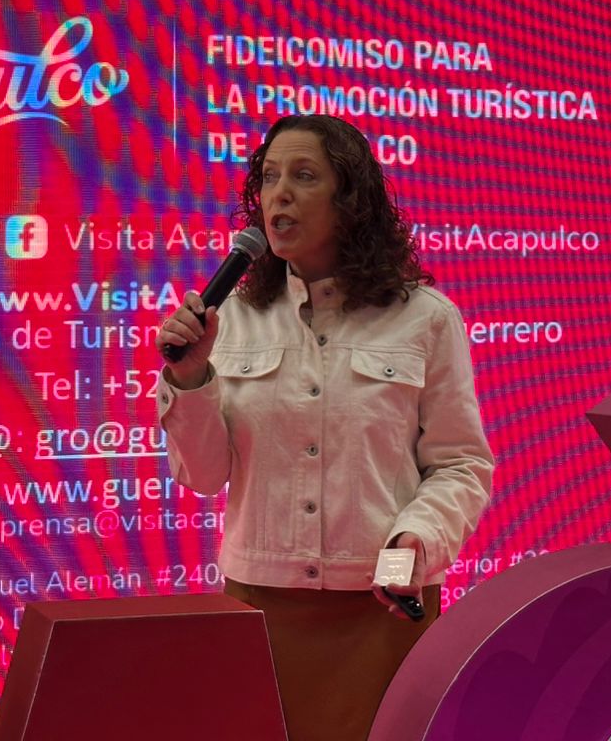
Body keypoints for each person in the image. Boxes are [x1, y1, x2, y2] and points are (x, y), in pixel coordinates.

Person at [155, 114, 494, 741]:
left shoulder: (424, 318)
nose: (279, 194)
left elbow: (461, 464)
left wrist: (417, 540)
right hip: (260, 606)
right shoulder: (232, 319)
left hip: (382, 607)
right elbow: (202, 476)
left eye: (304, 176)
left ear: (350, 200)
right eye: (269, 177)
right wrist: (191, 377)